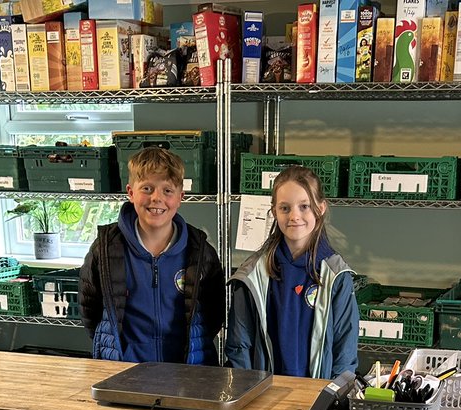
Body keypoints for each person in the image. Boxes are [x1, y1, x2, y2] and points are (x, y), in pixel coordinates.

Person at [80, 147, 224, 364]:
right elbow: (90, 308)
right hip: (124, 370)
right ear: (130, 193)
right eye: (147, 188)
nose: (156, 198)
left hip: (188, 374)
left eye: (168, 191)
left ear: (180, 197)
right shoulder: (106, 248)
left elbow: (214, 314)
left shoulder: (201, 251)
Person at [226, 166, 359, 379]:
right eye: (285, 208)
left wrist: (331, 399)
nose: (294, 216)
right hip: (263, 395)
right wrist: (246, 392)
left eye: (304, 206)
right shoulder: (252, 274)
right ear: (274, 212)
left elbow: (345, 350)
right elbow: (239, 344)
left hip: (317, 398)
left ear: (321, 208)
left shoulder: (336, 276)